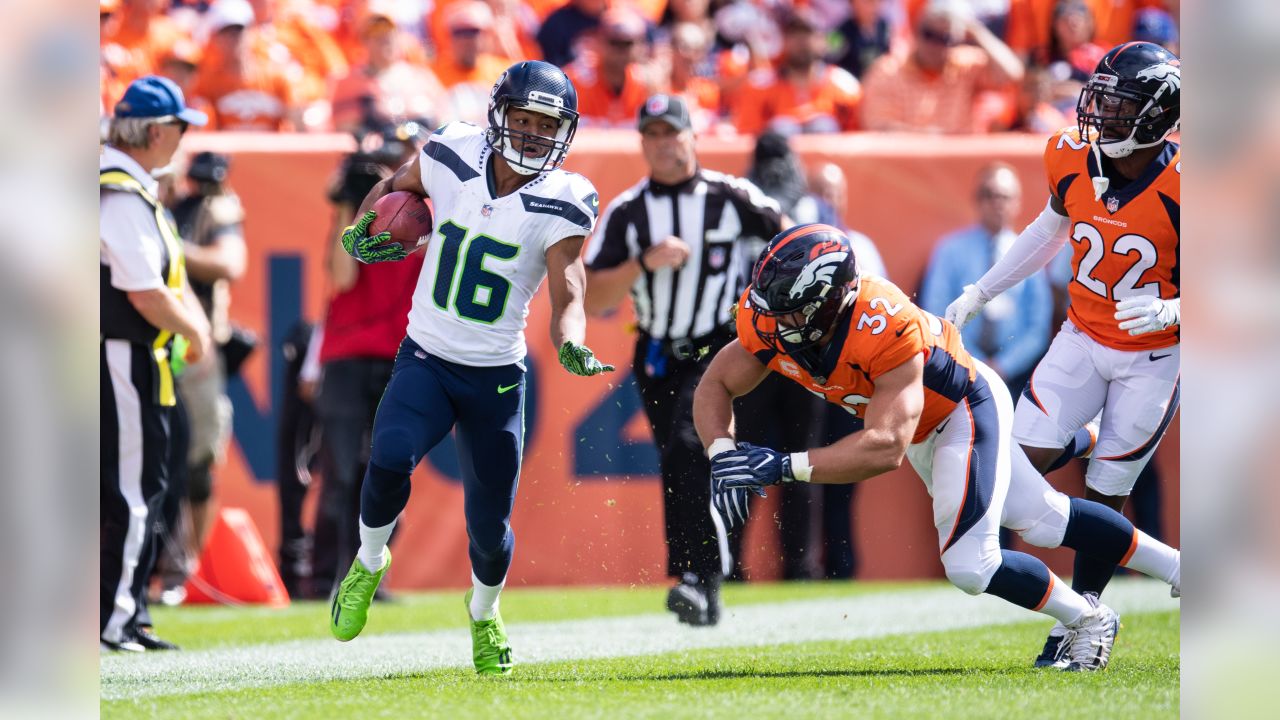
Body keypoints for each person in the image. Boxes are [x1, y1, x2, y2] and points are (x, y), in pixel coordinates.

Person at [694, 224, 1181, 672]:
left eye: (793, 311)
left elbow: (885, 448)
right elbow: (716, 383)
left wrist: (782, 466)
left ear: (832, 300)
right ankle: (1180, 568)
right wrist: (721, 453)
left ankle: (1087, 618)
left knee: (972, 565)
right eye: (770, 309)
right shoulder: (768, 321)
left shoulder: (882, 324)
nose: (776, 325)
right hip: (924, 429)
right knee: (1045, 518)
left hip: (959, 409)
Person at [327, 61, 613, 676]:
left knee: (488, 526)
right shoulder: (452, 151)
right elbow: (397, 183)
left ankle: (484, 613)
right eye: (526, 120)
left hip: (495, 377)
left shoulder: (565, 199)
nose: (535, 135)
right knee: (389, 453)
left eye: (548, 125)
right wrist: (361, 227)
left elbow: (569, 292)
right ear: (499, 116)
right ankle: (369, 564)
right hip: (427, 354)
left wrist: (571, 341)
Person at [945, 42, 1181, 666]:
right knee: (1016, 468)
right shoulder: (1070, 154)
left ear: (1156, 116)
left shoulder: (1192, 184)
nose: (1099, 113)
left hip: (1154, 359)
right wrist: (980, 291)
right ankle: (1081, 439)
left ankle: (1085, 618)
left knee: (1107, 489)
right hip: (1080, 337)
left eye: (1119, 103)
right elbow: (1048, 232)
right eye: (1099, 97)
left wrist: (1175, 310)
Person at [583, 94, 785, 623]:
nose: (662, 143)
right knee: (679, 461)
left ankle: (696, 575)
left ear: (693, 136)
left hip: (718, 347)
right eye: (651, 134)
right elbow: (594, 297)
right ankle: (708, 581)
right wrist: (644, 262)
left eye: (671, 132)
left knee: (687, 444)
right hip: (656, 352)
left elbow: (789, 239)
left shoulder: (729, 195)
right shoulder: (628, 211)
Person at [101, 75, 210, 652]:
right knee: (130, 492)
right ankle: (113, 620)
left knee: (140, 488)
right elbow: (143, 289)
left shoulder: (134, 186)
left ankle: (128, 611)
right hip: (119, 351)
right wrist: (194, 327)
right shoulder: (119, 189)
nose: (185, 136)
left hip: (132, 355)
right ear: (153, 130)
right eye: (179, 125)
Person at [310, 124, 427, 597]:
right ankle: (325, 578)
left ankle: (367, 577)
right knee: (339, 471)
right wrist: (347, 204)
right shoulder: (358, 215)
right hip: (347, 355)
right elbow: (340, 278)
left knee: (389, 469)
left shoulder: (426, 216)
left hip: (399, 353)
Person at [166, 151, 247, 592]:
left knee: (198, 462)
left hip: (197, 350)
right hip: (148, 344)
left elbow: (231, 263)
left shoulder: (218, 209)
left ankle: (188, 569)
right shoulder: (146, 200)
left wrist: (171, 248)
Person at [920, 163, 1052, 397]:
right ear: (977, 200)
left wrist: (1004, 366)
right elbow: (935, 310)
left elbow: (1038, 326)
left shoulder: (1030, 254)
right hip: (958, 369)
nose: (997, 203)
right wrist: (973, 362)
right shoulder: (950, 250)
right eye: (990, 195)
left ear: (1017, 202)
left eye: (1005, 196)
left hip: (1015, 377)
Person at [860, 0, 1024, 133]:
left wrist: (976, 31)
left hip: (960, 165)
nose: (934, 45)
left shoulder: (965, 64)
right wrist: (929, 139)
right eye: (929, 34)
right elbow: (878, 127)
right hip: (905, 166)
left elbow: (1013, 73)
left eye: (944, 38)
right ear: (917, 31)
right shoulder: (888, 70)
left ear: (958, 40)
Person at [733, 6, 861, 136]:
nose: (801, 41)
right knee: (782, 129)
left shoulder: (845, 87)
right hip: (778, 155)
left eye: (808, 33)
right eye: (794, 34)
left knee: (823, 126)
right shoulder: (759, 87)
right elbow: (747, 138)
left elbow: (858, 141)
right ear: (784, 40)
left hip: (829, 155)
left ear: (823, 40)